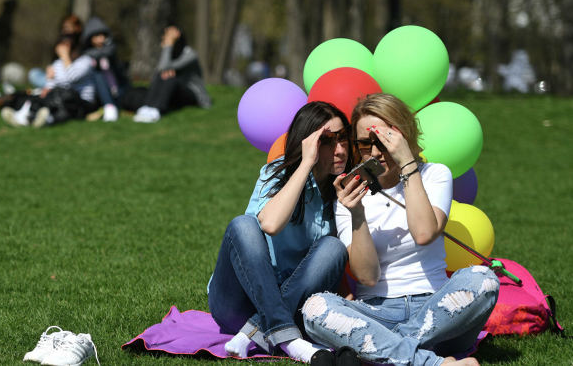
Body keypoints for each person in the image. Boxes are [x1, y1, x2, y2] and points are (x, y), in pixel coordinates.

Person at [302, 93, 499, 366]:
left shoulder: (434, 175)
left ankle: (382, 350)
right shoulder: (349, 196)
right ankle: (434, 363)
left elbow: (424, 233)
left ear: (402, 137)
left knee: (483, 279)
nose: (374, 152)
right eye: (364, 143)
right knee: (314, 309)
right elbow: (367, 277)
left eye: (383, 141)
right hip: (376, 311)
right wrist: (357, 212)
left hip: (437, 311)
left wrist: (407, 164)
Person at [207, 102, 354, 364]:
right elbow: (270, 225)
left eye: (344, 137)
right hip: (237, 303)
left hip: (296, 304)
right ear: (309, 142)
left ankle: (255, 334)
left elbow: (330, 264)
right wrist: (306, 163)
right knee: (242, 225)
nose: (340, 149)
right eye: (328, 140)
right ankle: (287, 339)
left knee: (333, 247)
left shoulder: (344, 191)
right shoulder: (276, 175)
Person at [1, 34, 98, 128]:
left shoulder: (85, 61)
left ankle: (47, 119)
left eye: (68, 48)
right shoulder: (57, 64)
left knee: (65, 98)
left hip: (81, 102)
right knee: (36, 96)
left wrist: (65, 57)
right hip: (60, 98)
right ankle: (23, 117)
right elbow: (52, 83)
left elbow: (73, 77)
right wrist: (47, 88)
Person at [132, 26, 211, 123]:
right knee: (160, 77)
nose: (164, 41)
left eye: (167, 39)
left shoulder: (190, 53)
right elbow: (157, 75)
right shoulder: (169, 54)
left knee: (169, 77)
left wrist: (168, 45)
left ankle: (156, 110)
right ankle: (148, 107)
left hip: (193, 92)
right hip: (173, 90)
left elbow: (163, 67)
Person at [80, 17, 129, 122]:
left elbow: (108, 51)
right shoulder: (85, 56)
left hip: (119, 89)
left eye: (103, 35)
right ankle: (109, 106)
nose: (101, 38)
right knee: (98, 74)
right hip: (99, 95)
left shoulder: (111, 48)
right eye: (97, 36)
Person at [29, 15, 84, 88]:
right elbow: (54, 59)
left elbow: (73, 76)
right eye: (64, 28)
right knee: (34, 73)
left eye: (68, 27)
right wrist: (50, 67)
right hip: (57, 73)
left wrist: (65, 55)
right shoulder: (60, 41)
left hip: (68, 78)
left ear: (77, 27)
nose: (65, 30)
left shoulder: (82, 46)